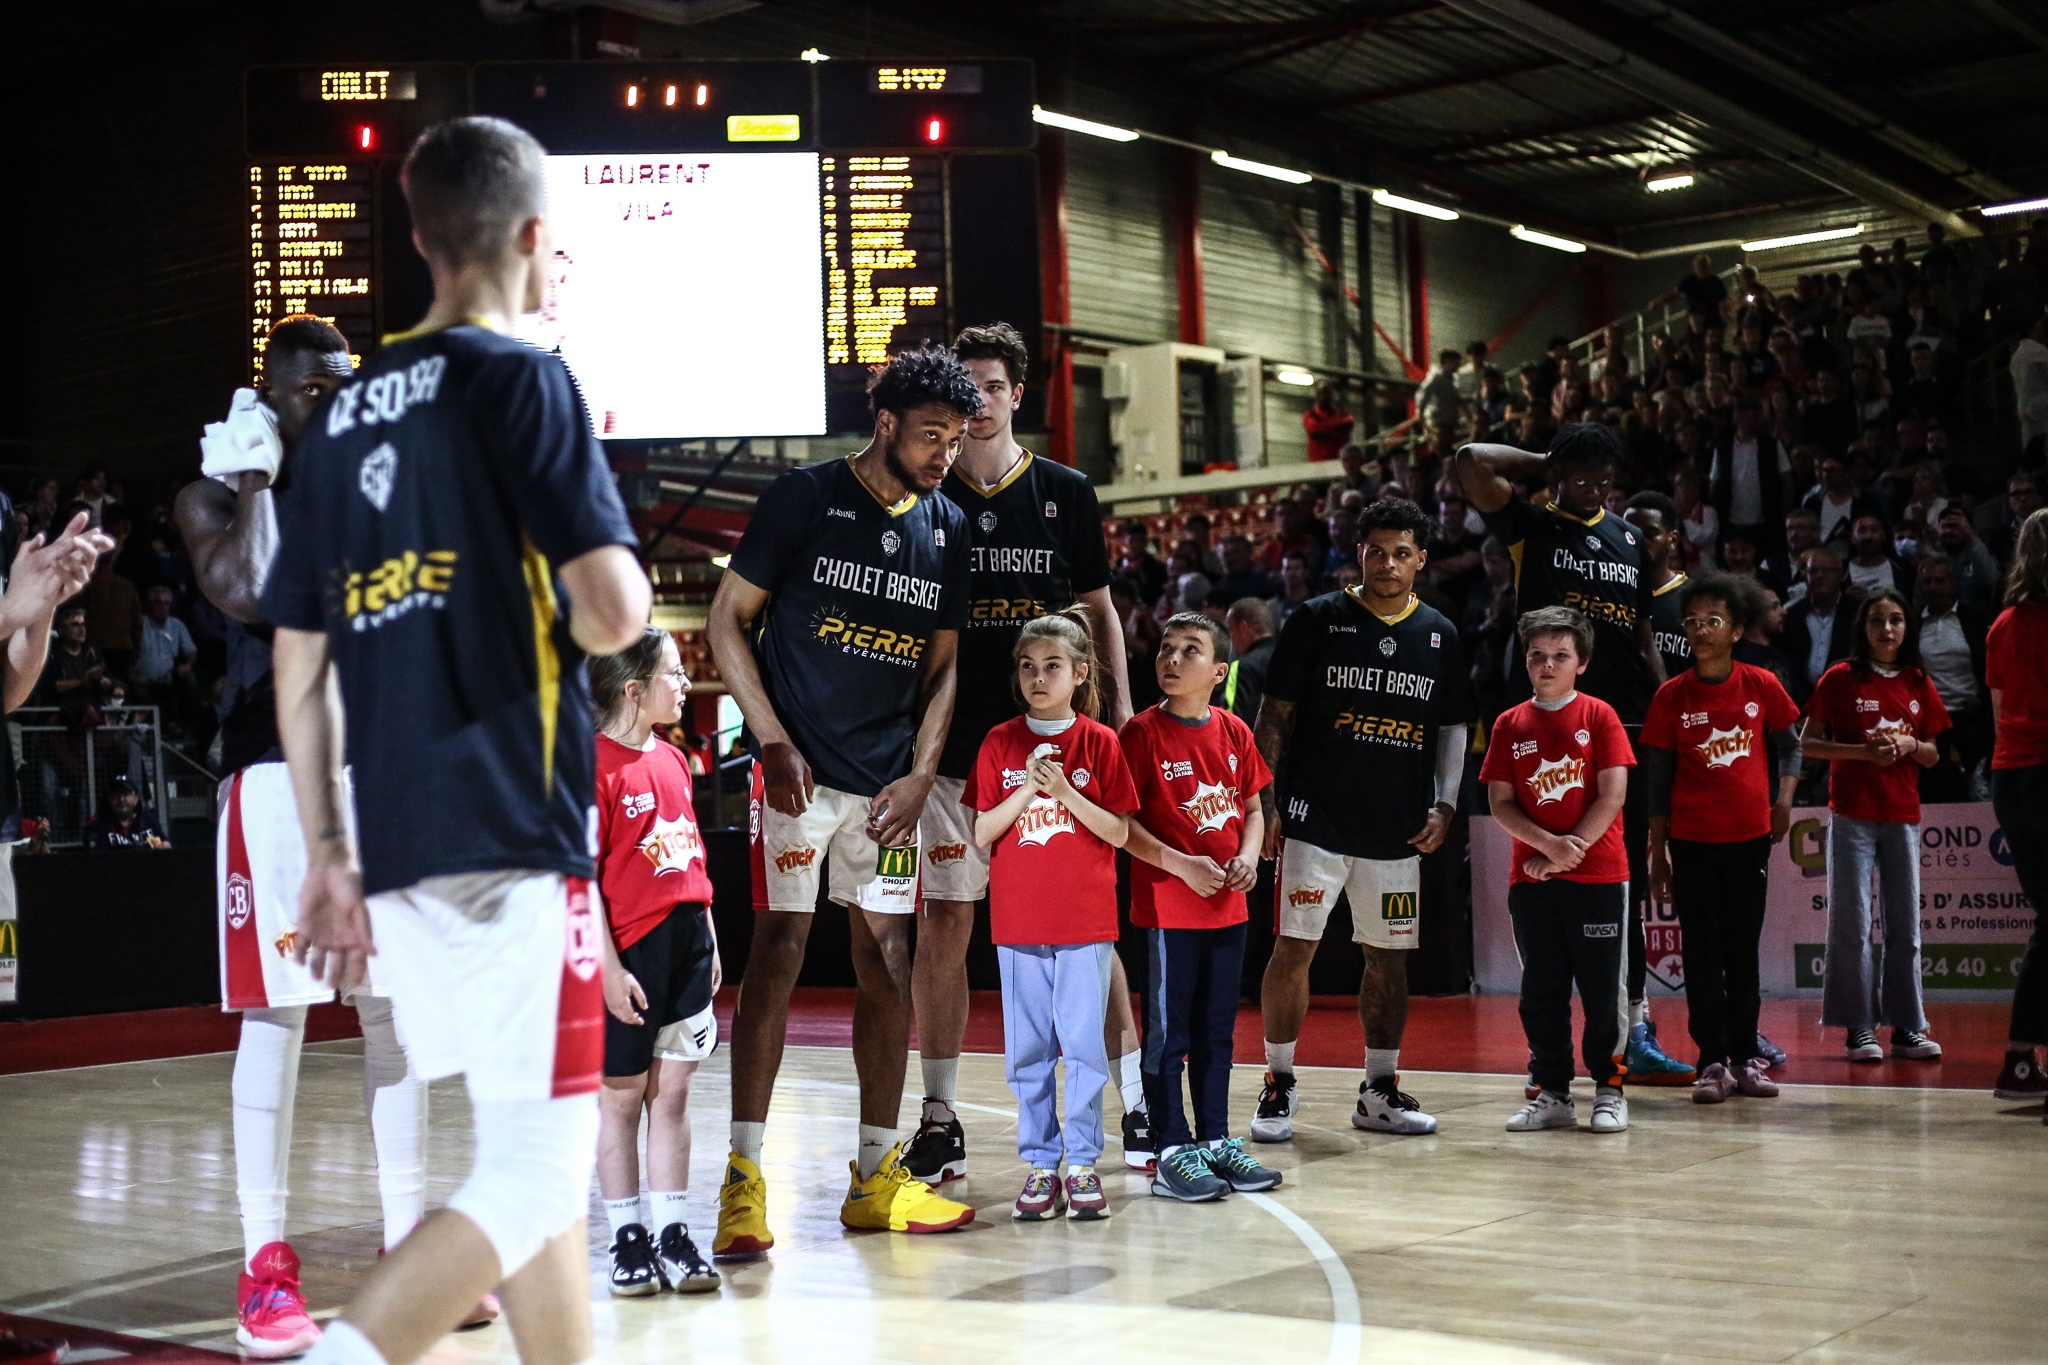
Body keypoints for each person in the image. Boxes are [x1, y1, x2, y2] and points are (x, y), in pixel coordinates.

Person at [268, 117, 651, 1365]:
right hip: (510, 829)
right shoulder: (523, 380)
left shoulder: (333, 418)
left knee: (518, 1152)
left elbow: (300, 663)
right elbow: (611, 615)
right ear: (536, 240)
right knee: (543, 1179)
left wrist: (328, 854)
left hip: (394, 843)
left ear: (421, 235)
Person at [175, 315, 466, 1359]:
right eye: (315, 390)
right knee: (280, 1020)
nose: (338, 400)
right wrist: (259, 482)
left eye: (349, 382)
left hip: (381, 773)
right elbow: (255, 589)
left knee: (396, 1017)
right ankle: (265, 1267)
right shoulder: (213, 493)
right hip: (268, 783)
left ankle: (405, 1251)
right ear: (270, 396)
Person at [704, 343, 979, 1256]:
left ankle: (873, 1174)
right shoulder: (804, 496)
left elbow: (944, 673)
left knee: (887, 961)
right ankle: (743, 1178)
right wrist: (769, 738)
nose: (946, 453)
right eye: (932, 434)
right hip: (797, 775)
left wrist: (919, 772)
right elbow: (725, 621)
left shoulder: (948, 525)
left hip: (885, 790)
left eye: (957, 436)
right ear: (888, 422)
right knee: (777, 950)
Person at [908, 322, 1138, 1188]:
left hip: (1059, 744)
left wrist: (1116, 698)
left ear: (1016, 395)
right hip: (959, 745)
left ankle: (1135, 1094)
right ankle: (939, 1111)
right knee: (948, 920)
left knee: (1089, 929)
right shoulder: (926, 495)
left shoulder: (1064, 490)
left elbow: (1099, 606)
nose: (979, 403)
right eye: (964, 390)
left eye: (992, 387)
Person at [1453, 425, 1691, 1085]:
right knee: (1548, 877)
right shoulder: (1533, 524)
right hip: (1551, 728)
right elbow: (1469, 461)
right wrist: (1545, 463)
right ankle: (1551, 1056)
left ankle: (1634, 1031)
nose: (1595, 487)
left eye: (1603, 478)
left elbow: (1643, 630)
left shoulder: (1630, 538)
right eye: (1583, 475)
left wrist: (1663, 700)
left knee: (1627, 886)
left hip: (1622, 725)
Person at [1249, 498, 1473, 1142]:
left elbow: (1453, 724)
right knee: (1295, 949)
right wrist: (1263, 803)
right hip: (1314, 820)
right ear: (1359, 554)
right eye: (1377, 550)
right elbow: (1275, 717)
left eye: (1402, 552)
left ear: (1422, 560)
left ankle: (1378, 1089)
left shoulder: (1441, 634)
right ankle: (1279, 1082)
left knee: (1389, 961)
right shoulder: (1316, 620)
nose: (1388, 563)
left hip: (1396, 828)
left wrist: (1447, 802)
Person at [965, 611, 1137, 1221]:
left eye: (1053, 666)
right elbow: (982, 831)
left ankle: (1084, 1165)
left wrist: (1065, 793)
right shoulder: (998, 742)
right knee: (1028, 1051)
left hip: (1086, 923)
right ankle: (1042, 1165)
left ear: (1080, 673)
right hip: (1018, 925)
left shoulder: (1100, 743)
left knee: (1085, 1047)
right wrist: (1027, 790)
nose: (1039, 677)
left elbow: (1118, 831)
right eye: (1028, 666)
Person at [1118, 613, 1279, 1202]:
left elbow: (1254, 809)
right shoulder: (1141, 733)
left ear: (1218, 671)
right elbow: (1122, 827)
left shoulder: (1235, 731)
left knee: (1217, 1034)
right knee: (1169, 1035)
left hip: (1227, 912)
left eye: (1190, 650)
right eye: (1166, 648)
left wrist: (1250, 854)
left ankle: (1215, 1139)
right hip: (1168, 912)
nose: (1173, 658)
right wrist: (1182, 864)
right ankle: (1169, 1148)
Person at [589, 629, 720, 1298]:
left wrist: (712, 935)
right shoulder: (591, 766)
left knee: (672, 1095)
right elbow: (578, 881)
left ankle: (672, 1231)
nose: (686, 683)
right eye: (675, 673)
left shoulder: (675, 760)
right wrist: (608, 967)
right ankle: (627, 1236)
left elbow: (690, 853)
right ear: (635, 689)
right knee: (620, 1101)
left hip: (687, 940)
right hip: (626, 952)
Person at [1642, 578, 1802, 1102]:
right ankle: (1711, 1061)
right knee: (1703, 954)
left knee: (1743, 952)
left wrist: (1783, 801)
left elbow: (1791, 747)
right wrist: (1658, 853)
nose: (1700, 630)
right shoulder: (1671, 697)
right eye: (1691, 621)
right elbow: (1658, 783)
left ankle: (1745, 1059)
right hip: (1691, 844)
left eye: (1712, 620)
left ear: (1735, 630)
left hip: (1749, 841)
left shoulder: (1762, 684)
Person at [1482, 607, 1634, 1132]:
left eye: (1560, 656)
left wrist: (1572, 850)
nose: (1547, 665)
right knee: (1541, 990)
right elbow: (1501, 803)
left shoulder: (1600, 716)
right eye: (1537, 655)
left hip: (1600, 876)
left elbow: (1613, 794)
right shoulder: (1509, 723)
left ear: (1582, 663)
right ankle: (1553, 1092)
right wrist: (1547, 848)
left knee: (1602, 990)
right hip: (1532, 880)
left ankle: (1610, 1090)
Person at [1801, 588, 1948, 1063]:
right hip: (1851, 815)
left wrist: (1908, 744)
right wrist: (1862, 752)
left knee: (1906, 927)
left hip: (1902, 816)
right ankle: (1859, 1028)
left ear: (1908, 628)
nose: (1887, 629)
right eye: (1877, 621)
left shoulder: (1918, 680)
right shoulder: (1841, 678)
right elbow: (1809, 744)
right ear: (1862, 629)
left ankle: (1908, 1027)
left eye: (1896, 620)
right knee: (1852, 925)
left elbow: (1933, 752)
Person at [1987, 510, 2048, 1110]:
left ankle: (2020, 1061)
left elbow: (2003, 715)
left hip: (2013, 778)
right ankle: (2021, 1061)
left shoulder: (2003, 624)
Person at [1708, 395, 1794, 558]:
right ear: (1739, 417)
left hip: (1766, 520)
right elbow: (1715, 483)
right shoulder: (1723, 447)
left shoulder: (1772, 446)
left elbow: (1786, 481)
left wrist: (1783, 511)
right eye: (1754, 416)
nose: (1759, 420)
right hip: (1731, 520)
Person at [1624, 492, 1692, 681]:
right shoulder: (1610, 592)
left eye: (1649, 534)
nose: (1637, 541)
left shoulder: (1695, 599)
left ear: (1673, 540)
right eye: (1630, 533)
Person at [1783, 547, 1856, 701]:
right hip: (1800, 701)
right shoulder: (1792, 615)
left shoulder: (1857, 613)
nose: (1820, 576)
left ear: (1842, 575)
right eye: (1813, 571)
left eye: (1827, 571)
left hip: (1846, 699)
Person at [1216, 597, 1273, 726]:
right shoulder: (1290, 657)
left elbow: (1234, 720)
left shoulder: (1242, 666)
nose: (1231, 638)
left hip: (1254, 743)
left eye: (1231, 630)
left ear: (1243, 627)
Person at [82, 774, 169, 850]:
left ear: (135, 798)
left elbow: (163, 844)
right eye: (116, 794)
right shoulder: (97, 827)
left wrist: (165, 846)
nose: (121, 799)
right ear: (109, 798)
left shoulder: (149, 822)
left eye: (126, 794)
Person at [1302, 383, 1355, 463]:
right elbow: (1314, 429)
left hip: (1340, 464)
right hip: (1318, 465)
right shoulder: (1310, 415)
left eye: (1327, 392)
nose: (1324, 396)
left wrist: (1324, 427)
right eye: (1321, 393)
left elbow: (1349, 423)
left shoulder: (1343, 415)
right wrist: (1336, 428)